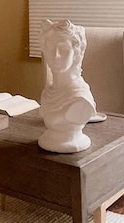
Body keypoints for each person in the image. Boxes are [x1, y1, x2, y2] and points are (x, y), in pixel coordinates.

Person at [38, 19, 96, 153]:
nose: (56, 55)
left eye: (63, 49)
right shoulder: (48, 91)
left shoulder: (81, 99)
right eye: (50, 49)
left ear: (76, 54)